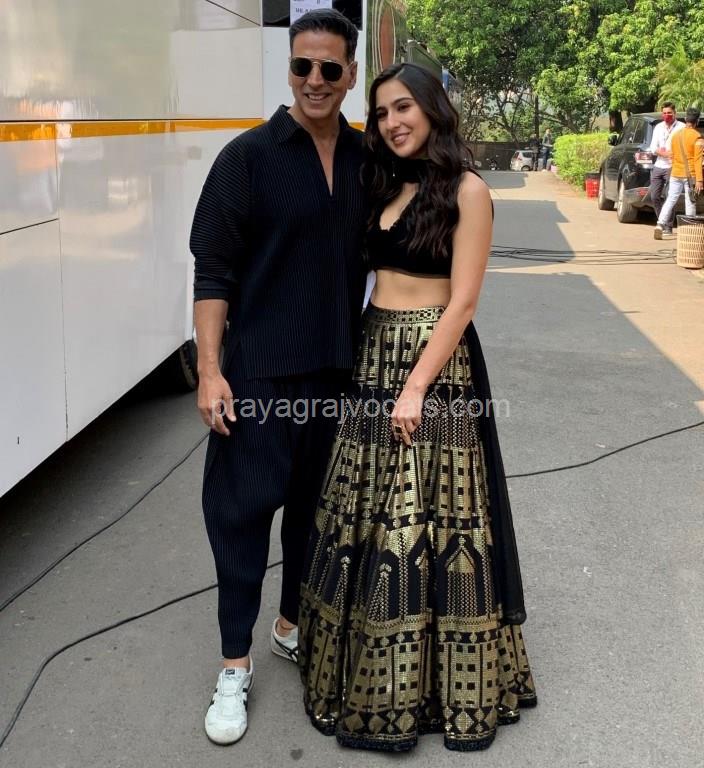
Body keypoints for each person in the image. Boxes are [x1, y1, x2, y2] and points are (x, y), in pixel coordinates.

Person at [298, 63, 536, 753]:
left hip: (435, 363)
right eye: (381, 113)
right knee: (362, 509)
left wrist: (415, 387)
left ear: (432, 108)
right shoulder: (384, 183)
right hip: (372, 349)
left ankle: (433, 690)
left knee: (432, 518)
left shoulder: (469, 191)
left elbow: (463, 301)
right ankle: (362, 673)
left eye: (403, 107)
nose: (392, 122)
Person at [189, 9, 367, 746]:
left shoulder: (366, 159)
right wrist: (209, 371)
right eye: (302, 66)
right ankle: (234, 665)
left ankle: (291, 626)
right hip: (258, 377)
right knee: (240, 519)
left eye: (329, 68)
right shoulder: (248, 158)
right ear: (288, 69)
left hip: (336, 376)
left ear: (350, 74)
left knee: (313, 517)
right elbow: (213, 271)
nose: (314, 80)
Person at [654, 106, 703, 240]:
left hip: (675, 172)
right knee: (690, 201)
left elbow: (672, 155)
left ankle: (660, 224)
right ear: (697, 121)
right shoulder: (697, 137)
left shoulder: (676, 135)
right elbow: (698, 160)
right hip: (690, 175)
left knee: (670, 200)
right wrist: (699, 180)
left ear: (686, 119)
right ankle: (689, 231)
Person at [649, 102, 683, 235]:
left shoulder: (681, 127)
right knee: (654, 196)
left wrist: (673, 154)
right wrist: (664, 153)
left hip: (673, 166)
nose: (667, 115)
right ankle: (662, 221)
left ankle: (667, 226)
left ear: (675, 113)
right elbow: (653, 148)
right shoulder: (658, 127)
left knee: (670, 196)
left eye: (669, 113)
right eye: (664, 113)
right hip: (659, 165)